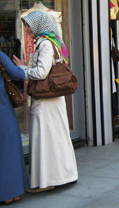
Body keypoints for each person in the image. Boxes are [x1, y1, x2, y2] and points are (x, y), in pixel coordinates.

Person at [13, 11, 78, 193]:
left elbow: (41, 73)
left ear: (38, 25)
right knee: (54, 138)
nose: (26, 29)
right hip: (52, 100)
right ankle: (61, 175)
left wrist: (22, 70)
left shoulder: (45, 44)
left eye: (28, 25)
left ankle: (47, 180)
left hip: (46, 101)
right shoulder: (50, 42)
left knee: (46, 138)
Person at [0, 51, 27, 205]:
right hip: (3, 109)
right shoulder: (1, 56)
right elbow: (18, 75)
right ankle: (13, 192)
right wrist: (24, 66)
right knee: (9, 150)